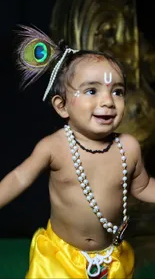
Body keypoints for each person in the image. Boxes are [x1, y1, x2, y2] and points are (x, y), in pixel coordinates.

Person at [1, 24, 155, 279]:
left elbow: (143, 186)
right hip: (59, 259)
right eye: (92, 91)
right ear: (62, 107)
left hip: (111, 259)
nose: (107, 101)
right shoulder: (55, 147)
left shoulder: (128, 147)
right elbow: (19, 177)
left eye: (117, 91)